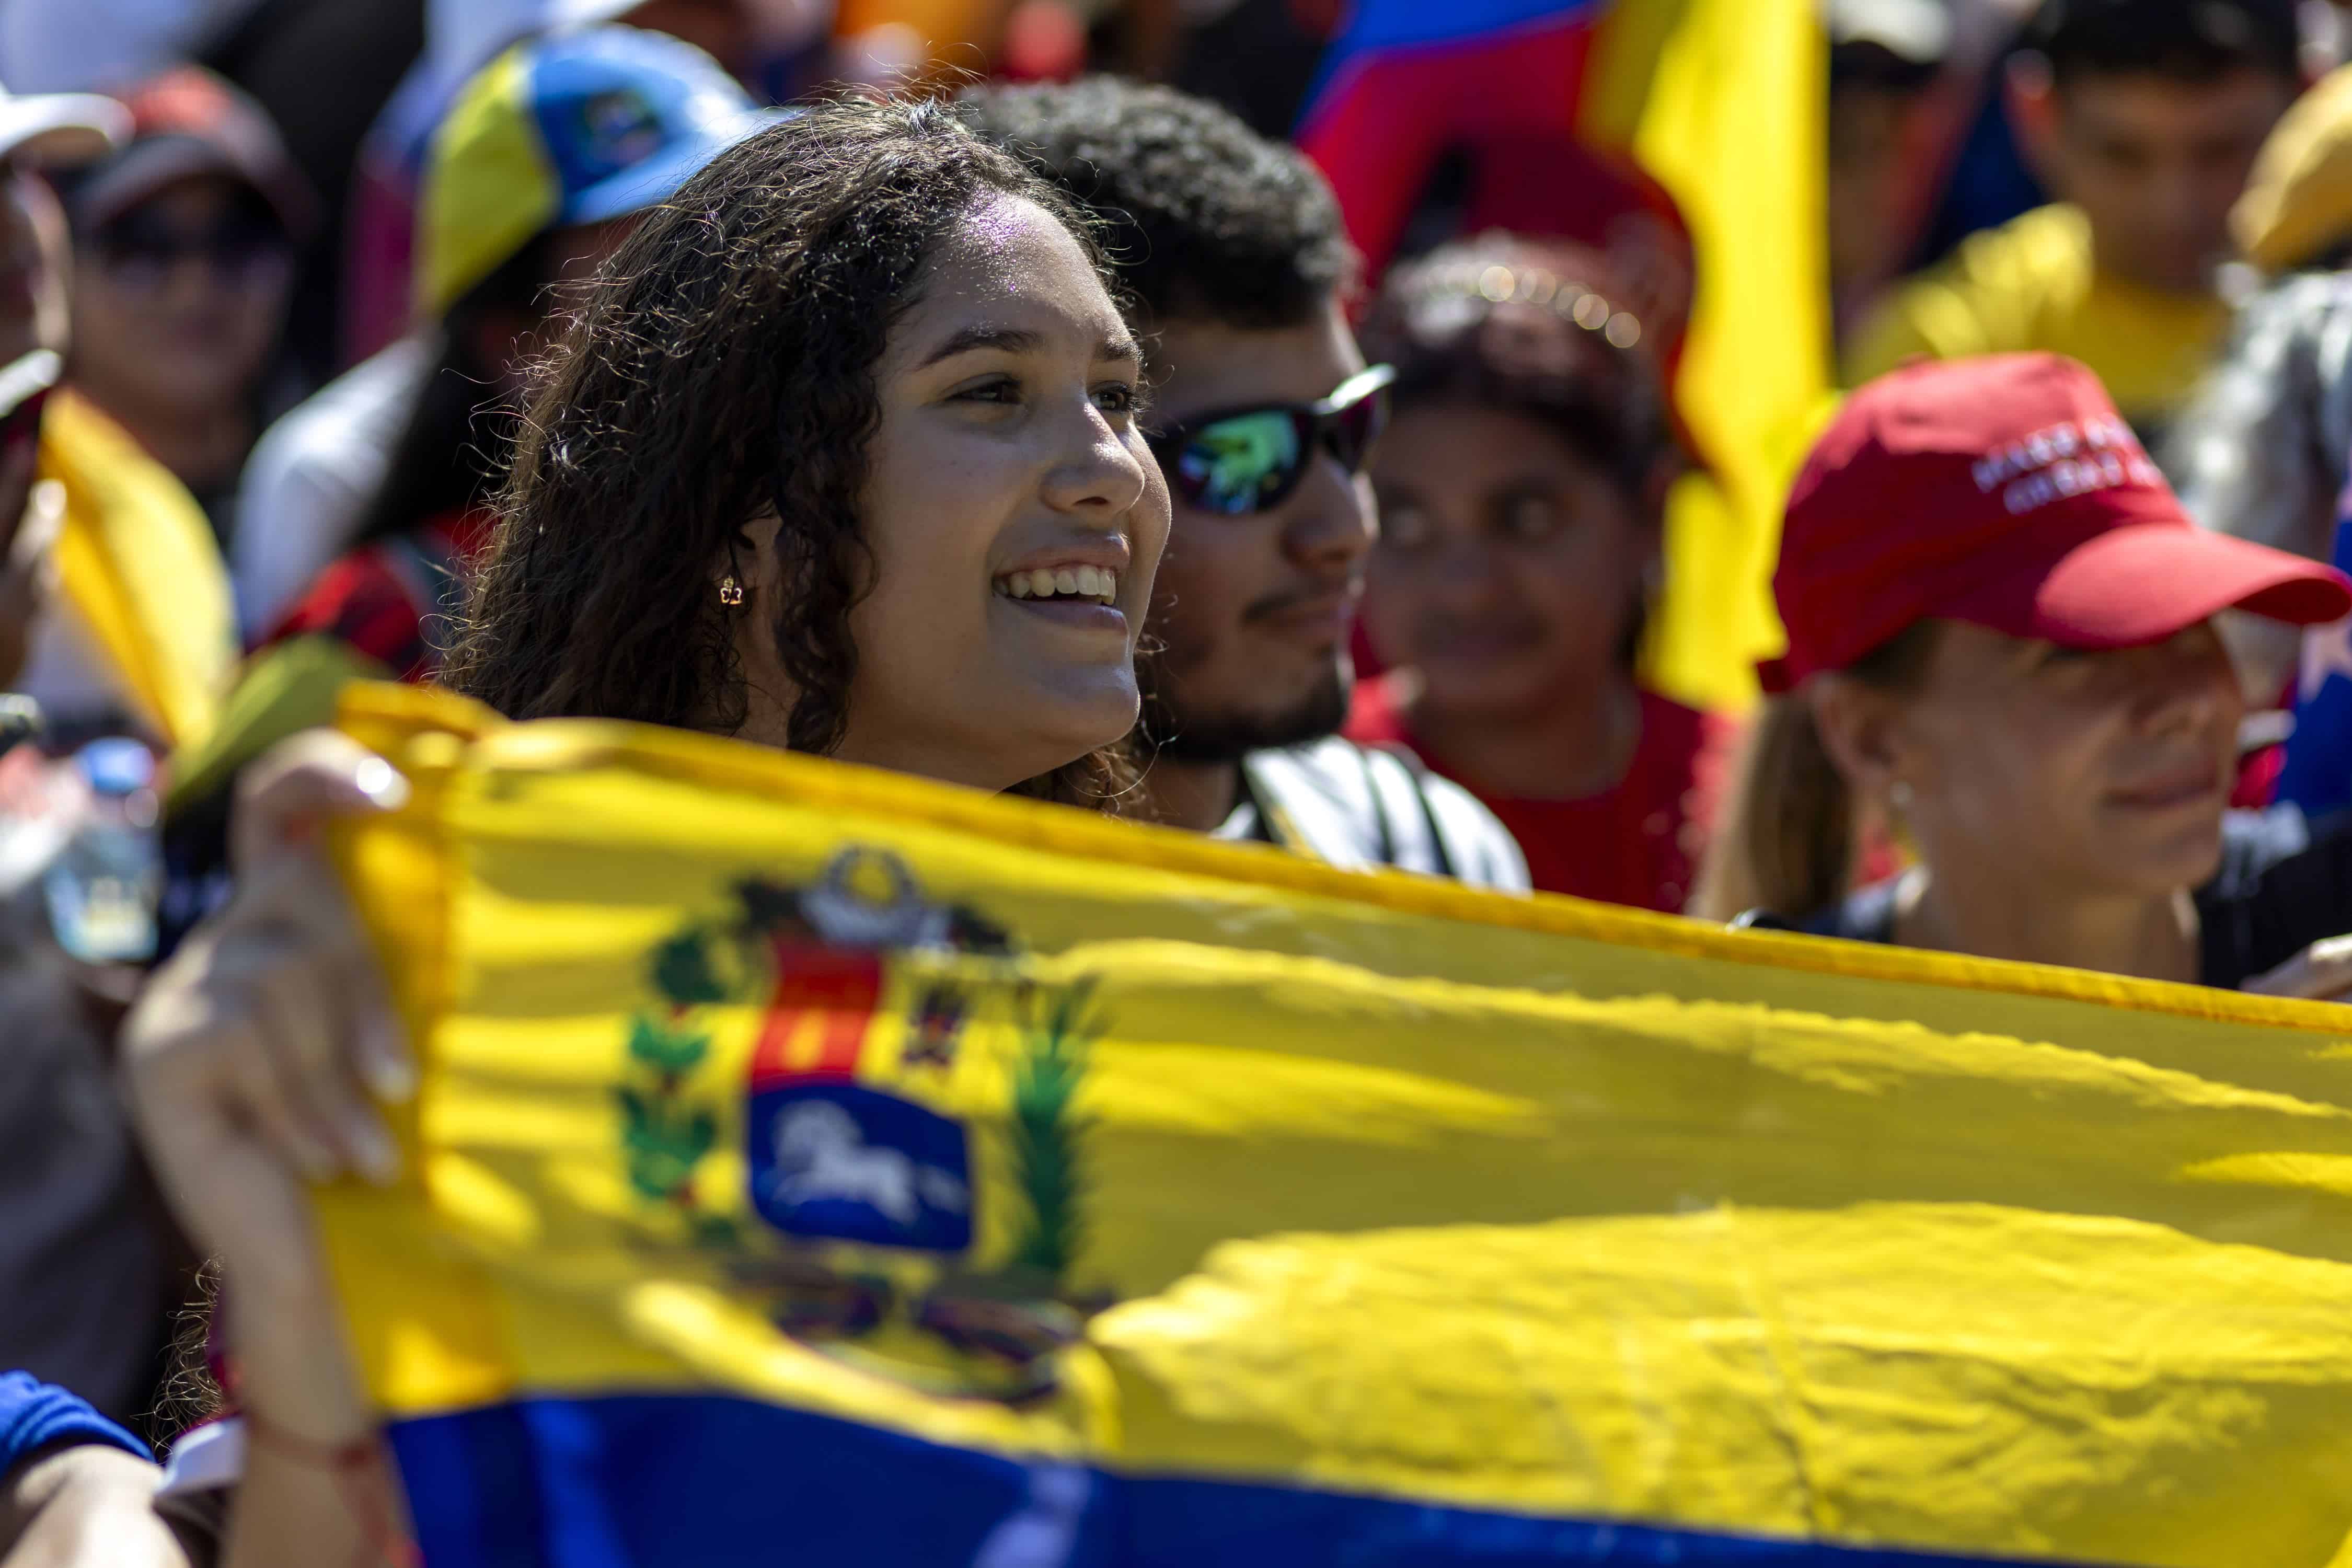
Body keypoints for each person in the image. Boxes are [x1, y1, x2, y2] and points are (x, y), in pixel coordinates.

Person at [118, 95, 1169, 1566]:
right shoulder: (473, 1009)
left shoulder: (1180, 1010)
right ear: (753, 522)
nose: (1111, 467)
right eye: (991, 391)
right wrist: (307, 1312)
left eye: (1119, 397)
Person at [959, 77, 1529, 888]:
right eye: (1245, 458)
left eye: (1353, 427)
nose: (1344, 528)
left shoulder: (1432, 862)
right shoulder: (818, 913)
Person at [1692, 352, 2352, 995]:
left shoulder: (2333, 913)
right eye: (2078, 650)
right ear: (1871, 737)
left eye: (2191, 622)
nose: (2188, 702)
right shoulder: (1779, 1056)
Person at [261, 26, 775, 677]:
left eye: (745, 227)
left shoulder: (825, 548)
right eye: (668, 261)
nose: (729, 281)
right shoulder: (386, 624)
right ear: (513, 342)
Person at [1338, 234, 1727, 912]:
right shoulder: (1302, 803)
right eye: (1405, 524)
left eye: (1526, 518)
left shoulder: (1761, 806)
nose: (1467, 587)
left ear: (1648, 516)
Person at [1844, 0, 2303, 442]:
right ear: (2036, 117)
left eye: (2222, 151)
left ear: (2306, 109)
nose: (2174, 209)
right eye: (2120, 155)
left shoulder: (2333, 325)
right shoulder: (1944, 352)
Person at [54, 67, 311, 538]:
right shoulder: (28, 519)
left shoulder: (335, 499)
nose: (194, 288)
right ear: (58, 264)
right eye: (142, 249)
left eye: (236, 242)